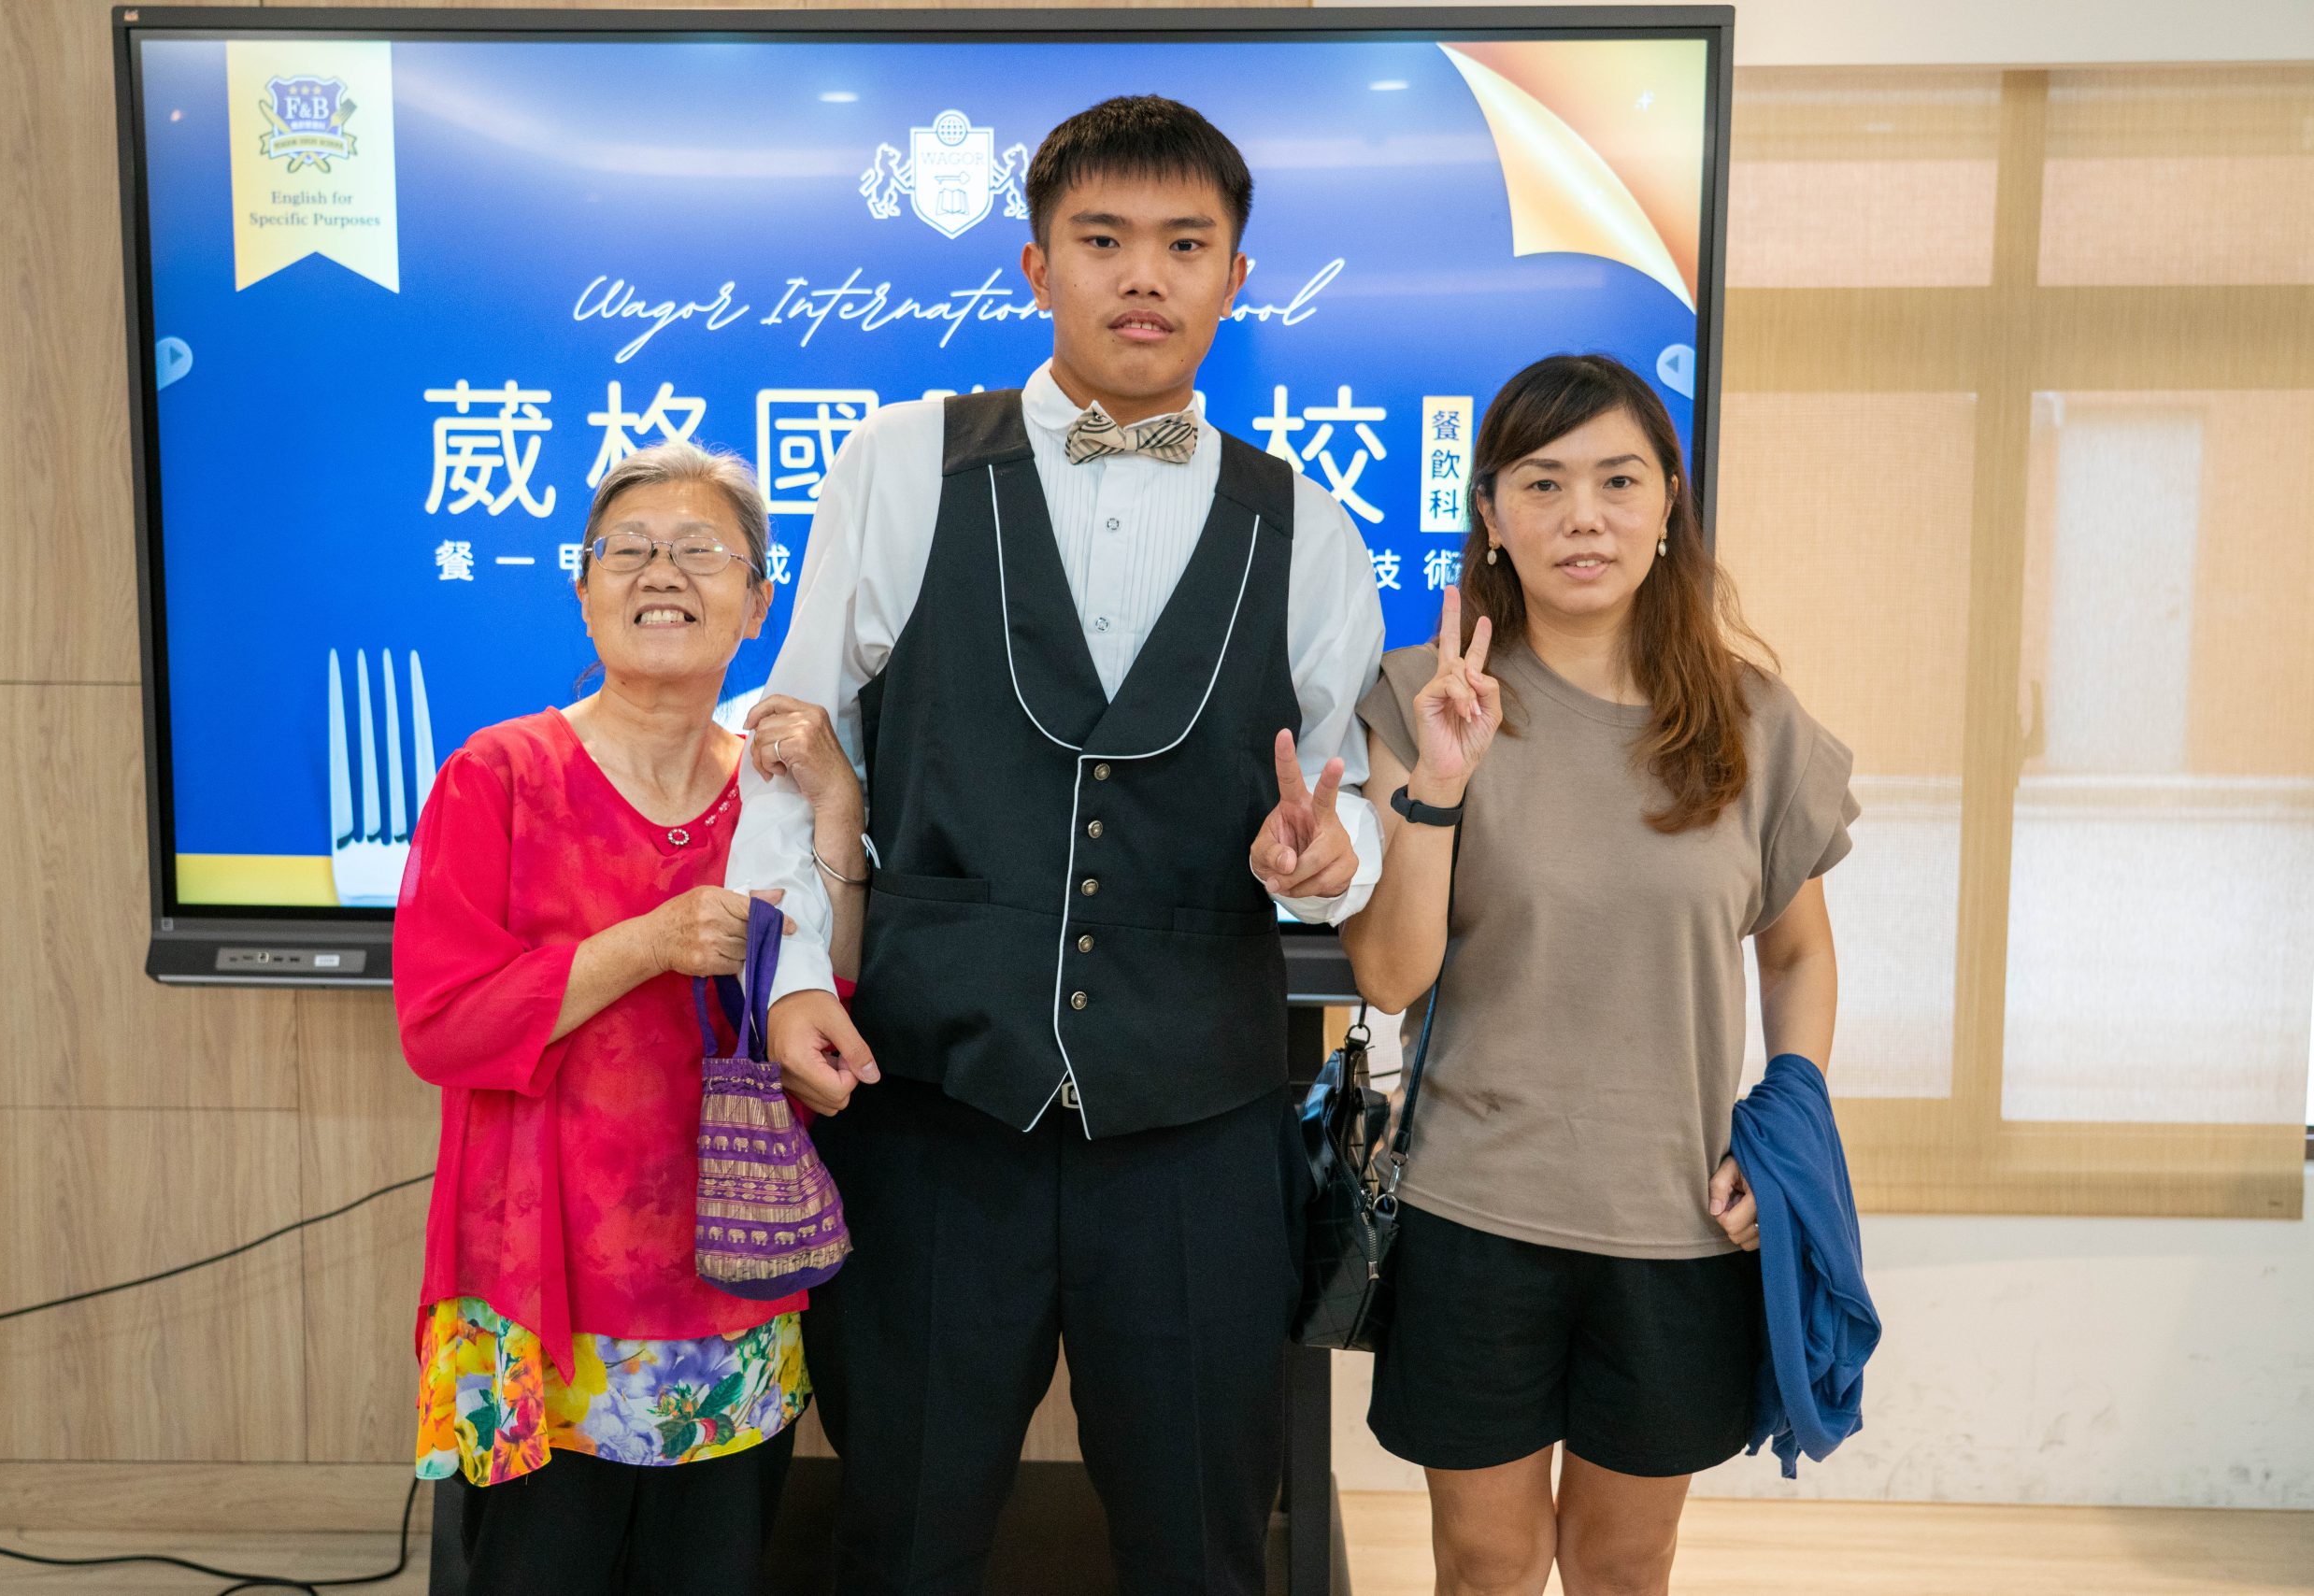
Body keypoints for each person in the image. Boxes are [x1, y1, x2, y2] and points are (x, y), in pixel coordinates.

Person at [724, 95, 1386, 1596]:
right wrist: (791, 978)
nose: (1143, 275)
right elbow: (793, 747)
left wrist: (1328, 856)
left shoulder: (1309, 527)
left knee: (1207, 1546)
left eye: (1185, 245)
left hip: (1202, 1126)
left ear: (1236, 277)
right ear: (1035, 266)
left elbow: (1342, 797)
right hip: (933, 1105)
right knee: (904, 1538)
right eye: (1103, 240)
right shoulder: (901, 463)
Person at [1343, 354, 1856, 1596]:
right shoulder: (1423, 696)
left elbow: (1796, 950)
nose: (1584, 516)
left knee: (1625, 1565)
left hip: (1678, 1222)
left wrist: (1787, 1119)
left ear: (1669, 501)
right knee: (1486, 1563)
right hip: (1473, 1209)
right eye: (1544, 482)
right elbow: (1392, 975)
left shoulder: (1751, 722)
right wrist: (1443, 783)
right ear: (1491, 513)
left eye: (1619, 481)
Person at [393, 441, 867, 1596]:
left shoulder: (774, 795)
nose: (664, 571)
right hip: (543, 1295)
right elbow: (442, 1026)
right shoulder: (499, 774)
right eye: (630, 550)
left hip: (733, 1279)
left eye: (702, 550)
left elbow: (831, 1020)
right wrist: (648, 943)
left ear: (757, 604)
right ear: (583, 588)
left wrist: (839, 812)